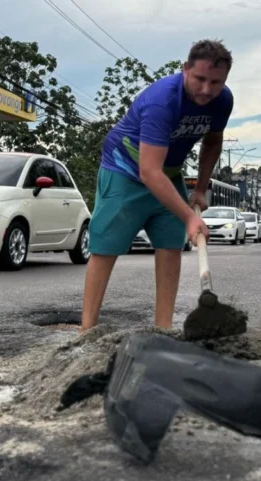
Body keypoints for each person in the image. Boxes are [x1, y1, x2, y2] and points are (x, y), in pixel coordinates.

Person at [80, 39, 234, 333]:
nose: (206, 90)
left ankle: (164, 329)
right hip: (125, 170)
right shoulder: (162, 101)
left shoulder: (223, 100)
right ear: (185, 69)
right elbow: (149, 172)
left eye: (215, 82)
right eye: (200, 79)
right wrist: (190, 217)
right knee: (106, 247)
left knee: (170, 244)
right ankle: (86, 331)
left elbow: (213, 141)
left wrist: (200, 189)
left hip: (169, 171)